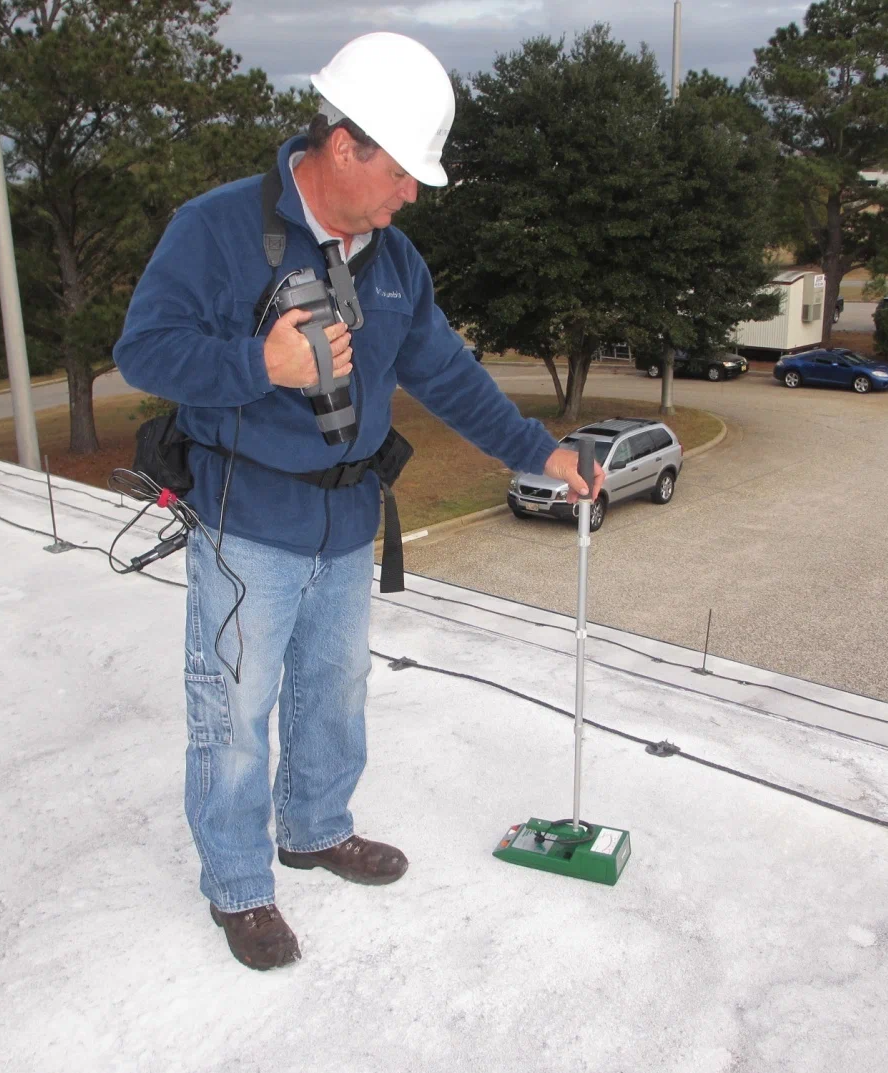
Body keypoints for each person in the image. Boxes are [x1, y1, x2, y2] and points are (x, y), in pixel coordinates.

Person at [114, 31, 604, 971]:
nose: (413, 193)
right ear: (347, 146)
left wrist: (539, 450)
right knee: (234, 710)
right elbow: (144, 351)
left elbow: (449, 377)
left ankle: (314, 828)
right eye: (405, 171)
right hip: (245, 523)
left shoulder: (392, 262)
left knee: (335, 695)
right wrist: (258, 364)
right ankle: (239, 886)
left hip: (345, 521)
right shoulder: (215, 229)